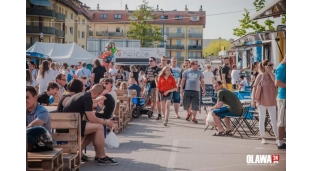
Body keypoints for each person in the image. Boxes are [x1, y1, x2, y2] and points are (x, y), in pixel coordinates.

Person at [63, 84, 118, 165]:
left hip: (69, 123)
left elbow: (90, 117)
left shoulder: (84, 94)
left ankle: (86, 153)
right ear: (98, 94)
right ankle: (102, 157)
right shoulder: (87, 98)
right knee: (99, 127)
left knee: (94, 129)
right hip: (71, 125)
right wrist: (106, 122)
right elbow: (91, 118)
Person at [251, 60, 278, 144]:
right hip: (261, 100)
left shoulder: (273, 75)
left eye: (272, 65)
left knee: (274, 120)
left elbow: (276, 83)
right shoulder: (260, 76)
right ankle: (263, 137)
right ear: (265, 66)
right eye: (269, 65)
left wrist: (270, 72)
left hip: (272, 100)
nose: (271, 66)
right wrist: (253, 101)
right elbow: (254, 88)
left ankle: (277, 138)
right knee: (262, 119)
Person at [275, 56, 286, 149]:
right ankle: (280, 142)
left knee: (283, 121)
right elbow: (277, 83)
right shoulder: (282, 67)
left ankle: (281, 141)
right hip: (283, 98)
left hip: (284, 97)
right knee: (281, 121)